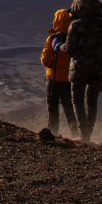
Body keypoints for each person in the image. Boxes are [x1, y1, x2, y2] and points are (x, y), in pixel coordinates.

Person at [61, 0, 102, 143]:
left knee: (77, 100)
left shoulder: (75, 25)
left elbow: (70, 49)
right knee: (92, 101)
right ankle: (88, 133)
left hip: (79, 69)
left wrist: (60, 46)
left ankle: (83, 134)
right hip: (98, 69)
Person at [40, 8, 79, 138]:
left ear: (57, 20)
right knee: (70, 108)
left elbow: (46, 60)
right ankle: (75, 133)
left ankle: (53, 133)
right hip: (69, 79)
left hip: (53, 78)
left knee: (53, 107)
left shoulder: (52, 38)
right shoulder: (74, 38)